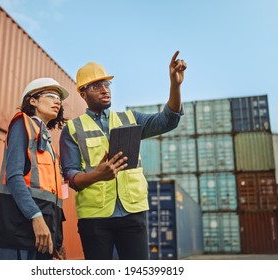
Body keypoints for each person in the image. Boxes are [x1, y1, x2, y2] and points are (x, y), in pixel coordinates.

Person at [59, 51, 187, 260]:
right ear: (83, 94)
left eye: (107, 85)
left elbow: (168, 121)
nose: (104, 90)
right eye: (96, 86)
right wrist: (97, 175)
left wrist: (175, 85)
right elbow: (71, 177)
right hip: (95, 218)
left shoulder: (130, 119)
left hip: (132, 213)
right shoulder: (72, 129)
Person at [0, 77, 70, 260]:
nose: (57, 101)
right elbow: (14, 176)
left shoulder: (50, 148)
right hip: (21, 228)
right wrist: (36, 217)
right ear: (33, 100)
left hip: (43, 233)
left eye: (59, 99)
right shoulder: (22, 124)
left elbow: (56, 196)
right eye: (50, 95)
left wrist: (57, 239)